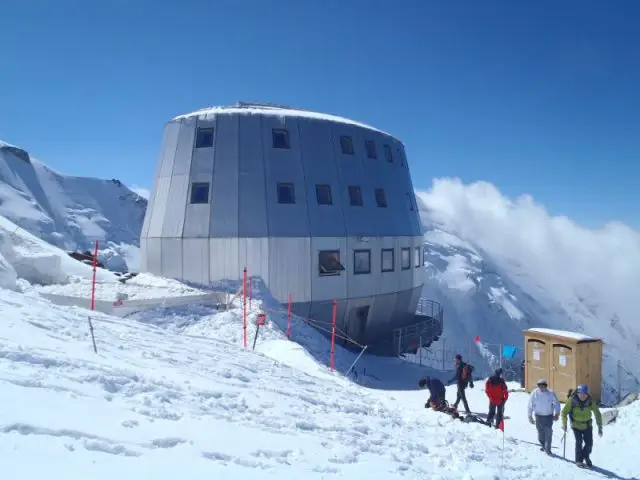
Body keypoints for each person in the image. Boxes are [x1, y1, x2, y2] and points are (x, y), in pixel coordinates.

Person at [561, 384, 603, 468]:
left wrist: (599, 427)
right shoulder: (572, 400)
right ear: (577, 393)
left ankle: (585, 456)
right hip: (575, 425)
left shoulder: (590, 401)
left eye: (584, 394)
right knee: (579, 442)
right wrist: (564, 423)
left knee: (589, 444)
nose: (582, 395)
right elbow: (564, 412)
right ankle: (579, 460)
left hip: (587, 425)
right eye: (580, 393)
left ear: (587, 394)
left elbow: (597, 413)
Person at [527, 378, 561, 455]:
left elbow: (556, 403)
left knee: (548, 432)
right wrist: (530, 416)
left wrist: (557, 413)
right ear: (538, 386)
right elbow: (530, 405)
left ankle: (548, 448)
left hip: (549, 416)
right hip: (538, 416)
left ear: (546, 386)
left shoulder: (551, 393)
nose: (542, 387)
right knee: (540, 434)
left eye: (543, 386)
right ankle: (543, 445)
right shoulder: (534, 393)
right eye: (540, 386)